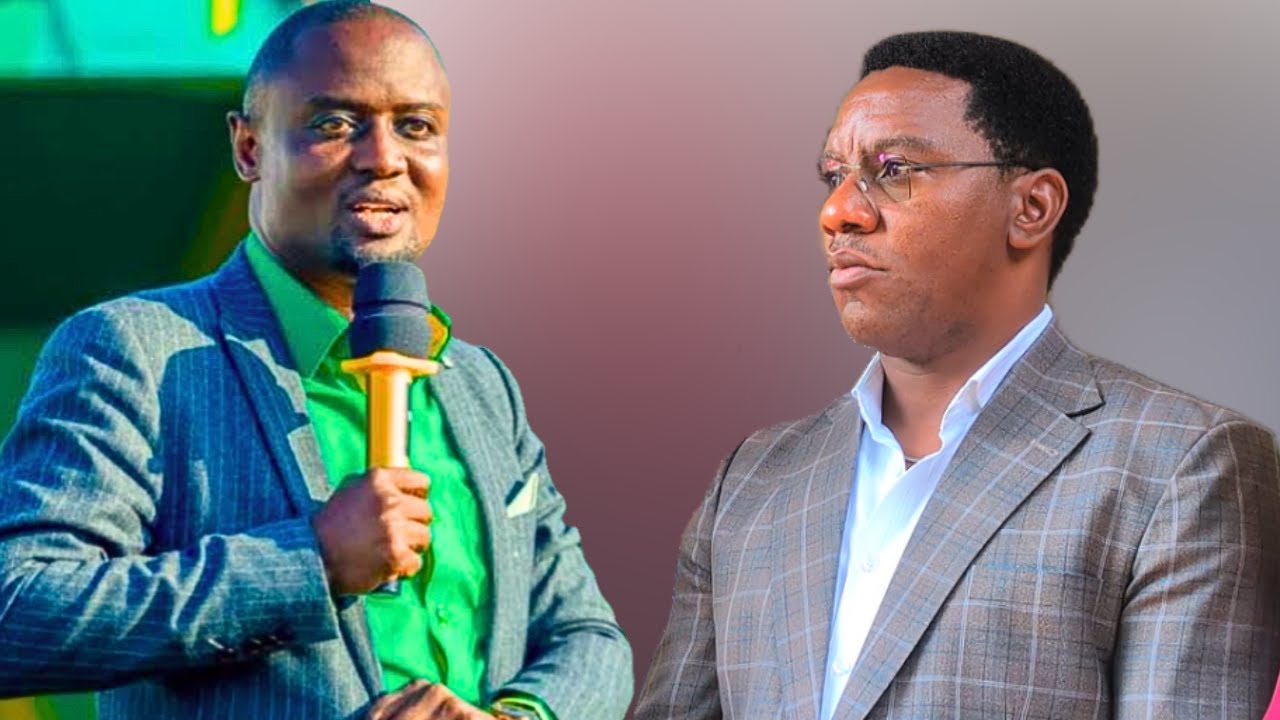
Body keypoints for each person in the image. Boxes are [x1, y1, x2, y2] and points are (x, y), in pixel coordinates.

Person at [0, 2, 632, 719]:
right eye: (335, 124)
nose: (384, 157)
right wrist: (312, 561)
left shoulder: (481, 385)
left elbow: (589, 636)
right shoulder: (132, 351)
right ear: (248, 148)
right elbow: (18, 612)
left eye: (416, 126)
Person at [635, 30, 1280, 719]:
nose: (839, 212)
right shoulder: (754, 482)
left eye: (893, 169)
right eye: (833, 176)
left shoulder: (1181, 467)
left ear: (1032, 208)